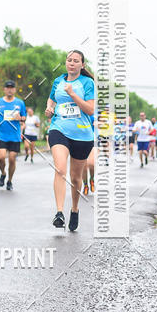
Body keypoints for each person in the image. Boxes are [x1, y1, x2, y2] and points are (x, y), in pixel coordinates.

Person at [45, 50, 95, 231]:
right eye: (69, 60)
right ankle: (59, 213)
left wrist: (73, 94)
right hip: (59, 129)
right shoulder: (58, 81)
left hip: (82, 135)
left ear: (82, 65)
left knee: (76, 178)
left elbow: (90, 110)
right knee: (60, 169)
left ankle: (74, 208)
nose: (72, 63)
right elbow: (51, 100)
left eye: (76, 61)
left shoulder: (87, 83)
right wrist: (49, 109)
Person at [0, 81, 26, 190]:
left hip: (14, 135)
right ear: (4, 89)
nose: (10, 89)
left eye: (12, 87)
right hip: (1, 134)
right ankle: (3, 173)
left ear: (15, 90)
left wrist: (20, 118)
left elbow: (24, 117)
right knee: (1, 157)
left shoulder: (20, 103)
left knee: (12, 159)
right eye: (8, 87)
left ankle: (10, 181)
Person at [82, 111, 96, 195]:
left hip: (91, 140)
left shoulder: (92, 114)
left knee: (91, 164)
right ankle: (85, 185)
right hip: (79, 140)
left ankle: (92, 179)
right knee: (84, 166)